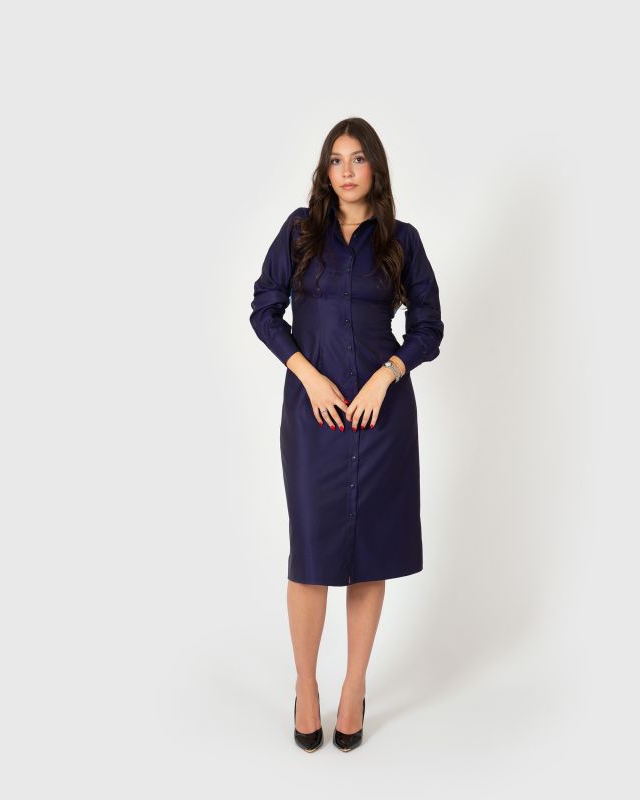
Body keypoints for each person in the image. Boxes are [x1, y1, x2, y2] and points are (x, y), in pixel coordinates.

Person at [249, 117, 444, 752]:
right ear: (325, 171)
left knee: (370, 553)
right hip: (314, 419)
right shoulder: (300, 232)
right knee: (310, 553)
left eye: (358, 158)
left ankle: (354, 686)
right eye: (336, 160)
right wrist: (308, 376)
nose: (347, 170)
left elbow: (429, 327)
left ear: (374, 168)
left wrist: (388, 375)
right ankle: (306, 686)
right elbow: (264, 309)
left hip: (382, 423)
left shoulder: (402, 241)